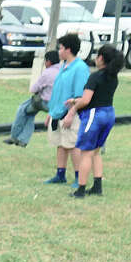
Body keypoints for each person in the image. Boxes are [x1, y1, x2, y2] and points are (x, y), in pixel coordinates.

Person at [64, 43, 122, 198]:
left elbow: (87, 100)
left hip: (94, 116)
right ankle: (97, 186)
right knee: (96, 151)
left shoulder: (95, 77)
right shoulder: (113, 77)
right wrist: (77, 100)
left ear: (101, 58)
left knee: (86, 153)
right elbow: (97, 97)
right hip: (109, 113)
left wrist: (74, 108)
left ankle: (81, 190)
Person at [44, 34, 89, 185]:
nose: (59, 51)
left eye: (61, 48)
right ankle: (60, 174)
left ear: (68, 49)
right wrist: (51, 113)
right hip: (57, 113)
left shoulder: (80, 68)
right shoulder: (63, 66)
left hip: (71, 114)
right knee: (61, 143)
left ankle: (78, 177)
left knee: (72, 145)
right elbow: (57, 92)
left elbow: (79, 96)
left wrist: (71, 114)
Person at [4, 49, 60, 148]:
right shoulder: (62, 70)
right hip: (57, 103)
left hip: (44, 102)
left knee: (22, 110)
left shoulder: (47, 73)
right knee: (30, 113)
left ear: (49, 62)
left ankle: (14, 137)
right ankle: (22, 140)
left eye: (45, 61)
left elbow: (33, 89)